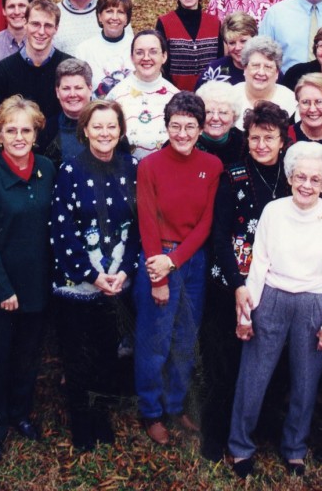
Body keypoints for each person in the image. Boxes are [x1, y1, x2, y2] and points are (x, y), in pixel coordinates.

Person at [227, 142, 322, 478]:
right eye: (300, 177)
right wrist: (246, 315)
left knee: (306, 382)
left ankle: (295, 449)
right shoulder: (274, 211)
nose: (306, 185)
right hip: (272, 298)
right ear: (290, 176)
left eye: (315, 180)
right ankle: (240, 446)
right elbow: (259, 263)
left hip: (313, 302)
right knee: (254, 376)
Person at [201, 101, 291, 460]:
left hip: (276, 282)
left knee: (272, 359)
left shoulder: (293, 176)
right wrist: (237, 283)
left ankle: (266, 422)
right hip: (230, 281)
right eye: (255, 137)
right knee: (223, 361)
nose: (262, 145)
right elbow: (219, 236)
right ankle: (215, 432)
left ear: (283, 140)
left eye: (269, 138)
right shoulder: (233, 174)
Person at [0, 96, 56, 465]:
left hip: (37, 286)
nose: (19, 137)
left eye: (26, 130)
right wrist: (4, 290)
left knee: (27, 357)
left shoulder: (49, 170)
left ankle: (20, 413)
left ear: (36, 133)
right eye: (10, 130)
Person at [51, 99, 139, 451]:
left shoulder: (133, 168)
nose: (105, 133)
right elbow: (62, 230)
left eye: (111, 126)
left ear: (121, 131)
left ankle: (102, 416)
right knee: (78, 355)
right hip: (77, 282)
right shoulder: (70, 170)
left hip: (117, 281)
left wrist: (123, 270)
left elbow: (139, 228)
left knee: (108, 353)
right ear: (85, 130)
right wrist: (91, 273)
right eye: (97, 126)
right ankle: (81, 424)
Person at [134, 92, 222, 445]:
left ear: (201, 129)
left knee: (185, 338)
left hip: (192, 260)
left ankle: (175, 404)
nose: (182, 133)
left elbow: (205, 222)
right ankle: (151, 411)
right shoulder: (150, 165)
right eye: (175, 126)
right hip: (157, 256)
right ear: (166, 126)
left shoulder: (211, 165)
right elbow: (147, 220)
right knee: (155, 340)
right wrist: (160, 273)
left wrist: (177, 260)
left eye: (190, 126)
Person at [0, 0, 72, 143]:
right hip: (15, 153)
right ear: (25, 24)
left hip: (59, 154)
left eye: (48, 25)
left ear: (56, 28)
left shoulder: (70, 69)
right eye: (35, 24)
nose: (41, 32)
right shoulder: (2, 71)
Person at [107, 29, 178, 159]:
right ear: (132, 57)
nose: (146, 58)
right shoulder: (115, 96)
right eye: (139, 52)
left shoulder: (175, 97)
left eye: (153, 52)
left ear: (164, 56)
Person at [156, 0, 222, 91]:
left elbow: (219, 64)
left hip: (209, 98)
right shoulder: (164, 23)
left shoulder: (215, 23)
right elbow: (161, 65)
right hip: (174, 96)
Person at [76, 0, 134, 97]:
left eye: (120, 12)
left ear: (127, 19)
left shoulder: (136, 46)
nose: (115, 17)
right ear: (99, 17)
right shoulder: (84, 49)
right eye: (109, 11)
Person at [233, 36, 296, 128]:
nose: (261, 72)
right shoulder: (230, 98)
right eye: (255, 65)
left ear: (277, 73)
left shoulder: (291, 101)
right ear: (245, 69)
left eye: (268, 67)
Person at [42, 58, 95, 165]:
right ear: (57, 92)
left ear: (90, 89)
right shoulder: (46, 130)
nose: (72, 94)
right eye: (66, 88)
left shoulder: (108, 125)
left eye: (78, 88)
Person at [196, 11, 258, 88]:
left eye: (243, 41)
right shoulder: (214, 70)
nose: (238, 48)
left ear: (255, 38)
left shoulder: (267, 67)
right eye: (232, 43)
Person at [195, 80, 244, 166]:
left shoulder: (244, 142)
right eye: (208, 112)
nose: (215, 118)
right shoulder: (188, 140)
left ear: (234, 116)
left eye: (223, 112)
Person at [288, 73, 322, 152]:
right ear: (298, 105)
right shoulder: (286, 138)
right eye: (305, 102)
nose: (312, 109)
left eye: (319, 102)